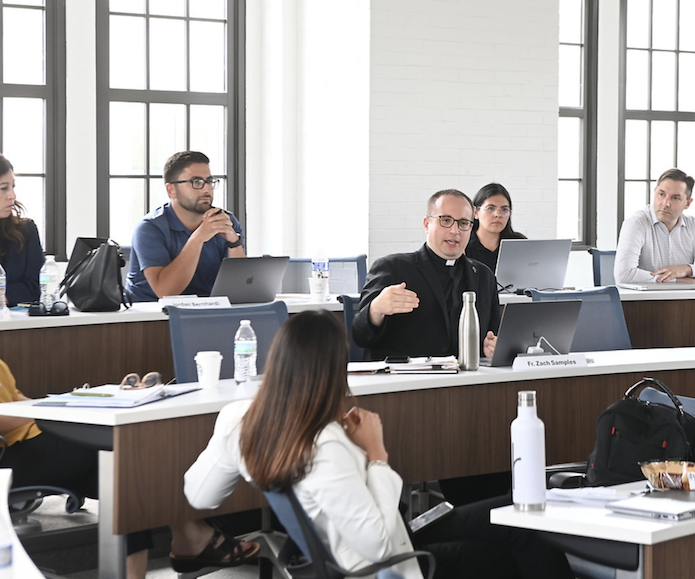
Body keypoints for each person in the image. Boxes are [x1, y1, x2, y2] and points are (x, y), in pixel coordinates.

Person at [184, 311, 574, 579]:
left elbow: (200, 496)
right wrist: (376, 457)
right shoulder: (325, 446)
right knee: (512, 547)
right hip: (386, 564)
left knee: (521, 513)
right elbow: (378, 544)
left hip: (386, 534)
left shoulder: (239, 418)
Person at [0, 359, 258, 578]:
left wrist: (70, 402)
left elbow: (18, 400)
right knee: (128, 454)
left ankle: (187, 538)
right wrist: (62, 409)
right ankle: (191, 537)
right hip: (12, 456)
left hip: (34, 442)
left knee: (127, 472)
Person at [352, 189, 499, 361]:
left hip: (467, 381)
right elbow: (359, 336)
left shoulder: (484, 276)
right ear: (426, 224)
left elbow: (494, 335)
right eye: (445, 220)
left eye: (463, 223)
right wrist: (376, 309)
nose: (455, 230)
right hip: (407, 381)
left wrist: (492, 346)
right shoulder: (392, 268)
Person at [126, 151, 245, 302]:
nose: (206, 189)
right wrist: (199, 237)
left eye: (209, 181)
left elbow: (240, 287)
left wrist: (234, 242)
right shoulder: (149, 228)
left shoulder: (225, 220)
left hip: (206, 310)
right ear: (171, 190)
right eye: (196, 182)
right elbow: (166, 292)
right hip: (151, 317)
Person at [614, 168, 695, 284]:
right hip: (642, 303)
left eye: (675, 198)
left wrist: (688, 269)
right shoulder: (636, 223)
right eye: (661, 194)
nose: (666, 203)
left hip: (684, 302)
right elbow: (624, 275)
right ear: (654, 192)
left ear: (687, 203)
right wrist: (680, 280)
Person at [0, 155, 43, 305]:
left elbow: (36, 288)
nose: (12, 195)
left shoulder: (26, 230)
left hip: (16, 324)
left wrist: (3, 298)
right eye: (4, 188)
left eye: (13, 187)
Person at [465, 182, 526, 272]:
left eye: (504, 209)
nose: (498, 214)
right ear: (476, 212)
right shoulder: (464, 244)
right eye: (490, 208)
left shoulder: (519, 244)